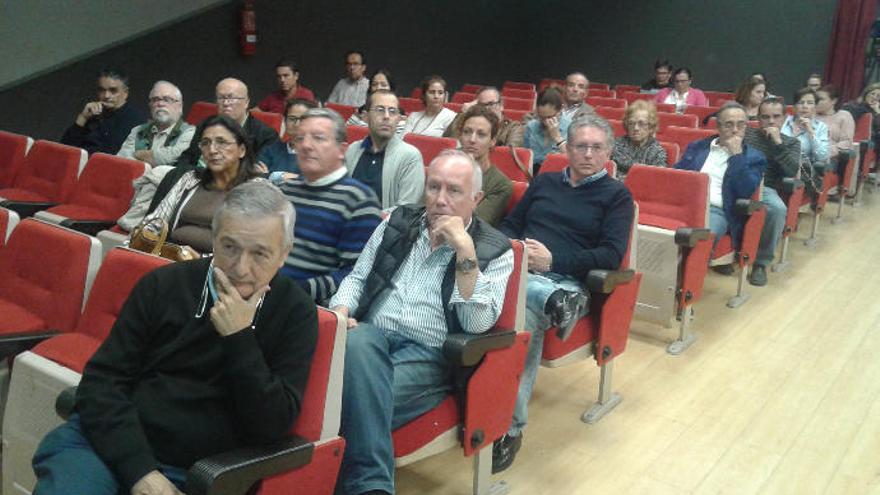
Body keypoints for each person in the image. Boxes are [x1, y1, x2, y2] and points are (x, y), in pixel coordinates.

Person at [32, 180, 318, 495]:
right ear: (213, 238)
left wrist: (239, 338)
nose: (240, 268)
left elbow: (272, 425)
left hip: (199, 472)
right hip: (110, 446)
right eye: (229, 247)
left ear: (284, 254)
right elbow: (102, 383)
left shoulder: (295, 312)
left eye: (260, 254)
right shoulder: (163, 285)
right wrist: (141, 472)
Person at [331, 149, 515, 495]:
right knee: (357, 347)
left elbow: (476, 324)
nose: (440, 200)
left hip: (429, 355)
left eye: (454, 191)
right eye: (434, 187)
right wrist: (341, 312)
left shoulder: (494, 249)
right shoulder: (397, 222)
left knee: (341, 398)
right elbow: (358, 277)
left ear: (475, 199)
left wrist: (465, 252)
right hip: (370, 339)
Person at [495, 114, 635, 473]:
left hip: (570, 284)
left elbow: (610, 255)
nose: (587, 153)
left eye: (596, 147)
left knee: (520, 319)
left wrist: (554, 260)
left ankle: (509, 427)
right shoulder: (544, 183)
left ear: (608, 151)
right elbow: (513, 223)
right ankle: (547, 299)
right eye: (580, 146)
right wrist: (511, 247)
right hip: (524, 272)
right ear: (568, 149)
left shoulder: (617, 196)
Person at [276, 108, 381, 303]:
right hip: (266, 293)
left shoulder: (359, 201)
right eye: (300, 139)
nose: (306, 145)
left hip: (306, 307)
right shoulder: (285, 191)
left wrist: (292, 291)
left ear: (342, 150)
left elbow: (355, 276)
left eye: (318, 138)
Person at [137, 115, 262, 254]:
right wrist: (140, 244)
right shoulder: (190, 179)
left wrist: (197, 262)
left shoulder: (256, 191)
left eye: (221, 142)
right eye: (206, 143)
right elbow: (155, 223)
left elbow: (244, 248)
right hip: (167, 255)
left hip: (216, 268)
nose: (212, 150)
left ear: (242, 150)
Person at [674, 102, 767, 268]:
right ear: (718, 126)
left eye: (741, 124)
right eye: (729, 124)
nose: (735, 130)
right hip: (684, 204)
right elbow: (678, 175)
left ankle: (685, 283)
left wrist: (736, 155)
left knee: (697, 236)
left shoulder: (754, 157)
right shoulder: (698, 147)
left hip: (717, 210)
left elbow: (745, 190)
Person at [743, 97, 801, 286]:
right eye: (765, 117)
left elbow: (791, 171)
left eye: (776, 116)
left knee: (777, 209)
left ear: (785, 118)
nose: (771, 121)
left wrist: (777, 143)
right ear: (758, 118)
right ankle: (732, 253)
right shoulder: (747, 134)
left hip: (764, 186)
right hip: (738, 182)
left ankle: (761, 263)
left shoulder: (791, 143)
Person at [344, 90, 425, 212]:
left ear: (398, 119)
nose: (387, 116)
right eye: (380, 110)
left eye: (392, 111)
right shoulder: (352, 150)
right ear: (365, 117)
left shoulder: (410, 157)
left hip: (383, 228)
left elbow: (405, 211)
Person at [176, 78, 280, 168]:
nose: (226, 103)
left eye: (231, 98)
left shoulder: (266, 135)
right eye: (221, 98)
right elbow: (187, 157)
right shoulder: (205, 125)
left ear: (246, 102)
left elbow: (256, 171)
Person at [61, 68, 146, 155]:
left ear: (125, 93)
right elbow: (64, 150)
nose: (106, 96)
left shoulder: (137, 119)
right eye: (102, 90)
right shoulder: (92, 114)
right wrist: (82, 118)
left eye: (113, 91)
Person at [457, 105, 513, 226]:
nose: (472, 139)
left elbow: (473, 225)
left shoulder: (500, 185)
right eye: (467, 132)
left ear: (493, 141)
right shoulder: (444, 170)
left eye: (481, 134)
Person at [117, 81, 196, 166]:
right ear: (150, 105)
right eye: (155, 99)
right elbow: (121, 162)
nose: (160, 104)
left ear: (180, 106)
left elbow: (170, 158)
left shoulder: (190, 132)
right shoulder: (137, 131)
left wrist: (137, 155)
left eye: (167, 100)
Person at [781, 88, 830, 195]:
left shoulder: (821, 127)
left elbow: (822, 156)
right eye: (801, 102)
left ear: (815, 107)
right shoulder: (783, 121)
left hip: (801, 168)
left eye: (810, 103)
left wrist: (811, 132)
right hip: (779, 163)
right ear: (794, 107)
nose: (805, 106)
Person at [443, 86, 525, 147]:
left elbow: (507, 155)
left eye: (491, 104)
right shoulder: (472, 127)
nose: (487, 109)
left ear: (501, 105)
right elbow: (448, 143)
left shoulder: (514, 127)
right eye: (482, 105)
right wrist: (462, 113)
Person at [257, 98, 318, 177]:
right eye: (292, 119)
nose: (296, 124)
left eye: (302, 119)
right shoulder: (270, 150)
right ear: (284, 121)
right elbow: (257, 176)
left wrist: (270, 176)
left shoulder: (319, 153)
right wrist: (285, 177)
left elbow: (314, 182)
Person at [610, 99, 668, 178]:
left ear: (651, 127)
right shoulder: (615, 145)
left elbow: (657, 180)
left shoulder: (657, 152)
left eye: (641, 123)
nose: (636, 128)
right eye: (631, 123)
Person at [346, 69, 406, 136]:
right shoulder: (361, 111)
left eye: (383, 85)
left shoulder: (399, 115)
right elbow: (346, 134)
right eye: (374, 84)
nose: (378, 88)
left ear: (391, 88)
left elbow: (398, 140)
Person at [524, 87, 571, 169]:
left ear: (560, 111)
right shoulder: (531, 127)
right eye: (541, 117)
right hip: (533, 173)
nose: (545, 122)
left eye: (550, 117)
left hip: (558, 173)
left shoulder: (571, 127)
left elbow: (573, 162)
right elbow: (524, 158)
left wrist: (557, 138)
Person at [816, 84, 856, 161]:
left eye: (820, 99)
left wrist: (826, 152)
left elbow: (846, 142)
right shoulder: (810, 115)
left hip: (831, 159)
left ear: (834, 101)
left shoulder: (844, 116)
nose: (816, 102)